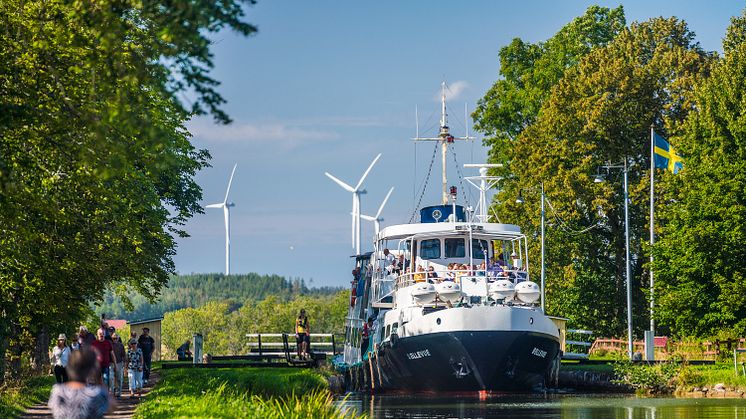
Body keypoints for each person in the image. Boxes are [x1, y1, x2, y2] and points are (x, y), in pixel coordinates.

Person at [48, 347, 112, 419]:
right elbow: (111, 407)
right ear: (90, 370)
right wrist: (99, 381)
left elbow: (53, 408)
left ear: (69, 367)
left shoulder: (58, 392)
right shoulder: (96, 393)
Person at [110, 333, 125, 398]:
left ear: (118, 338)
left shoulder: (121, 345)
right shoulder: (110, 345)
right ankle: (112, 392)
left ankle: (119, 393)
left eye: (116, 338)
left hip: (119, 363)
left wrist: (124, 364)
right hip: (111, 363)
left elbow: (124, 355)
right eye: (113, 338)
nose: (115, 339)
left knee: (119, 378)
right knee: (111, 378)